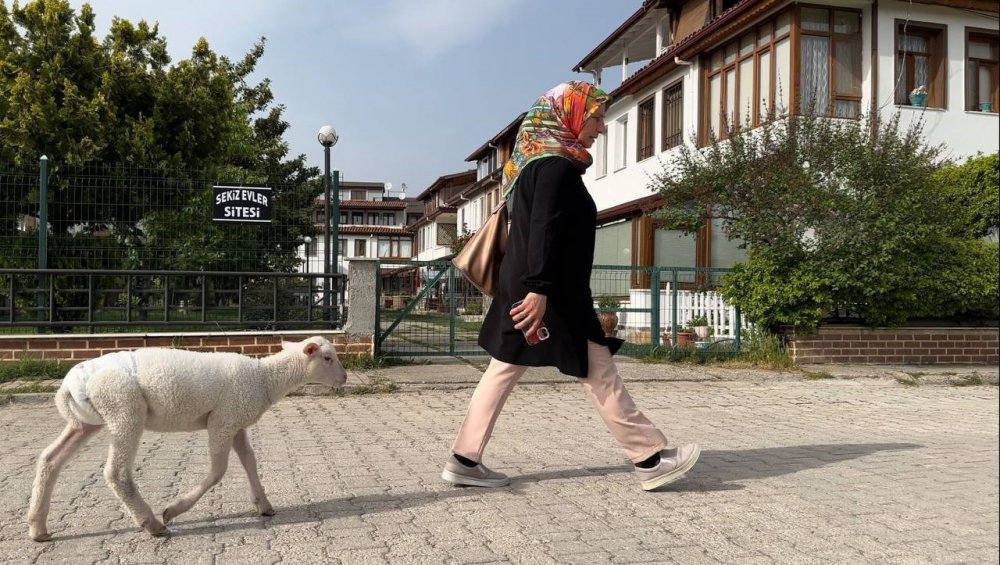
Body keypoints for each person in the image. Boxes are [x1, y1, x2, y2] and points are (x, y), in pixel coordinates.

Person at [441, 81, 700, 492]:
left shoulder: (531, 164)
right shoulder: (556, 167)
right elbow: (544, 229)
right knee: (599, 370)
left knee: (504, 368)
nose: (600, 127)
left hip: (529, 286)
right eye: (595, 117)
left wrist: (534, 286)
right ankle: (649, 458)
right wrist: (540, 288)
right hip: (549, 292)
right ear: (571, 116)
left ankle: (464, 459)